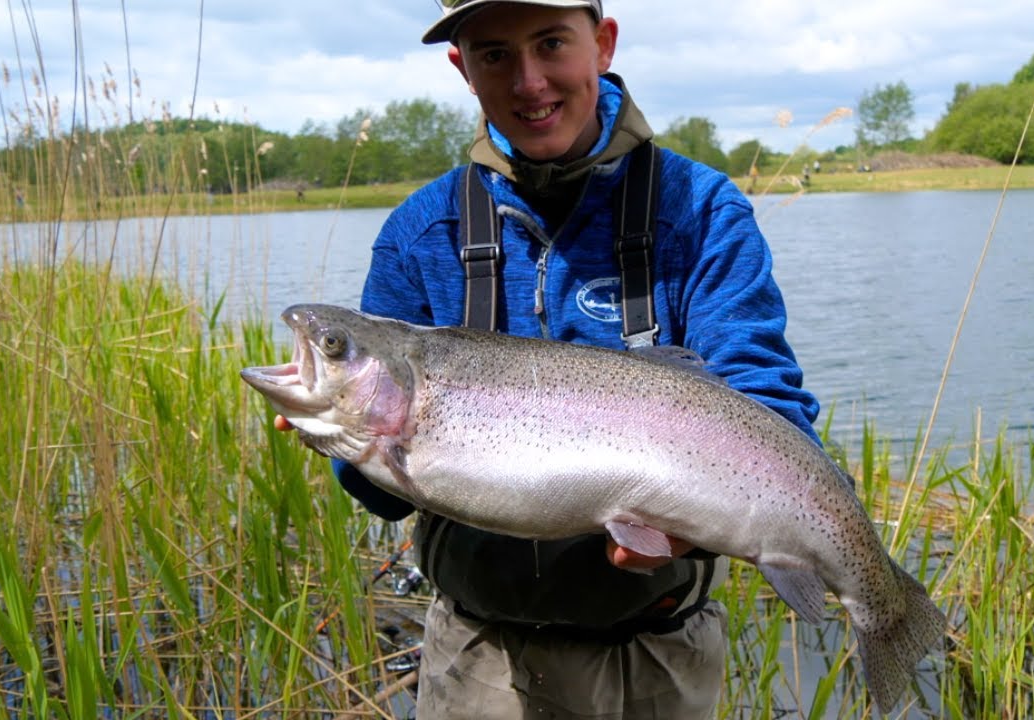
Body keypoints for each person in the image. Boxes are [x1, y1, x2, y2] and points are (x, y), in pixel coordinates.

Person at [277, 1, 820, 717]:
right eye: (495, 54)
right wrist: (346, 440)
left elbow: (768, 408)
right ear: (462, 68)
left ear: (603, 43)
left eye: (551, 44)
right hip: (478, 660)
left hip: (661, 658)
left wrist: (686, 534)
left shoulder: (700, 210)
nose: (530, 81)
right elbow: (381, 495)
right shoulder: (420, 233)